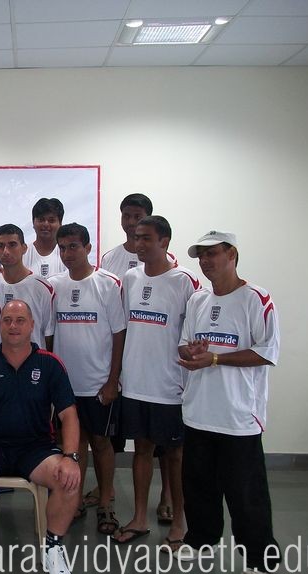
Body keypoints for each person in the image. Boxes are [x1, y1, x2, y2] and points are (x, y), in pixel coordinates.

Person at [177, 231, 280, 574]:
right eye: (201, 255)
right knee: (198, 486)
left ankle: (259, 558)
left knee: (245, 493)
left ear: (232, 254)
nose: (205, 261)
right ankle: (201, 540)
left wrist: (216, 358)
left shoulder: (256, 299)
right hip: (199, 411)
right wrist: (192, 353)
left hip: (238, 417)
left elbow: (267, 351)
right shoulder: (198, 300)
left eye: (213, 254)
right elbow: (185, 345)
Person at [0, 300, 81, 574]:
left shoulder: (50, 363)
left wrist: (71, 457)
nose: (13, 326)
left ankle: (53, 547)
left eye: (20, 320)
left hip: (36, 449)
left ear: (32, 325)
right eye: (7, 320)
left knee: (69, 479)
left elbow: (69, 415)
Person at [88, 193, 176, 524]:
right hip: (124, 367)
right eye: (126, 216)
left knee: (163, 446)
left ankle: (167, 496)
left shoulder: (171, 265)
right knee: (113, 438)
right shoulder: (111, 259)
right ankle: (106, 491)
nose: (130, 223)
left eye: (137, 217)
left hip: (160, 374)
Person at [113, 216, 199, 553]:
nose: (139, 244)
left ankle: (179, 523)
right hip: (135, 383)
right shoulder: (131, 278)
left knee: (174, 456)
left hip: (170, 386)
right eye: (136, 238)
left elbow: (193, 334)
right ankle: (138, 518)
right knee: (142, 451)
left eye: (146, 238)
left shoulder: (184, 281)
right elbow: (123, 328)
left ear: (164, 241)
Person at [49, 223, 125, 535]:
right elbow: (50, 334)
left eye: (73, 246)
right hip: (66, 386)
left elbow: (119, 334)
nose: (67, 253)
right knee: (73, 446)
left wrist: (112, 381)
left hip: (98, 384)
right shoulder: (54, 286)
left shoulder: (108, 283)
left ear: (88, 248)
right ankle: (75, 500)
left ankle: (106, 502)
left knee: (101, 443)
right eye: (62, 248)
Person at [0, 224, 54, 349]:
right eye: (1, 246)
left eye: (12, 245)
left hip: (34, 359)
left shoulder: (42, 287)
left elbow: (49, 335)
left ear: (24, 248)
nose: (6, 251)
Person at [0, 197, 67, 282]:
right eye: (41, 220)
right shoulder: (20, 252)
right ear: (33, 223)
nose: (46, 224)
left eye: (51, 220)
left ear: (60, 224)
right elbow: (5, 278)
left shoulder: (69, 254)